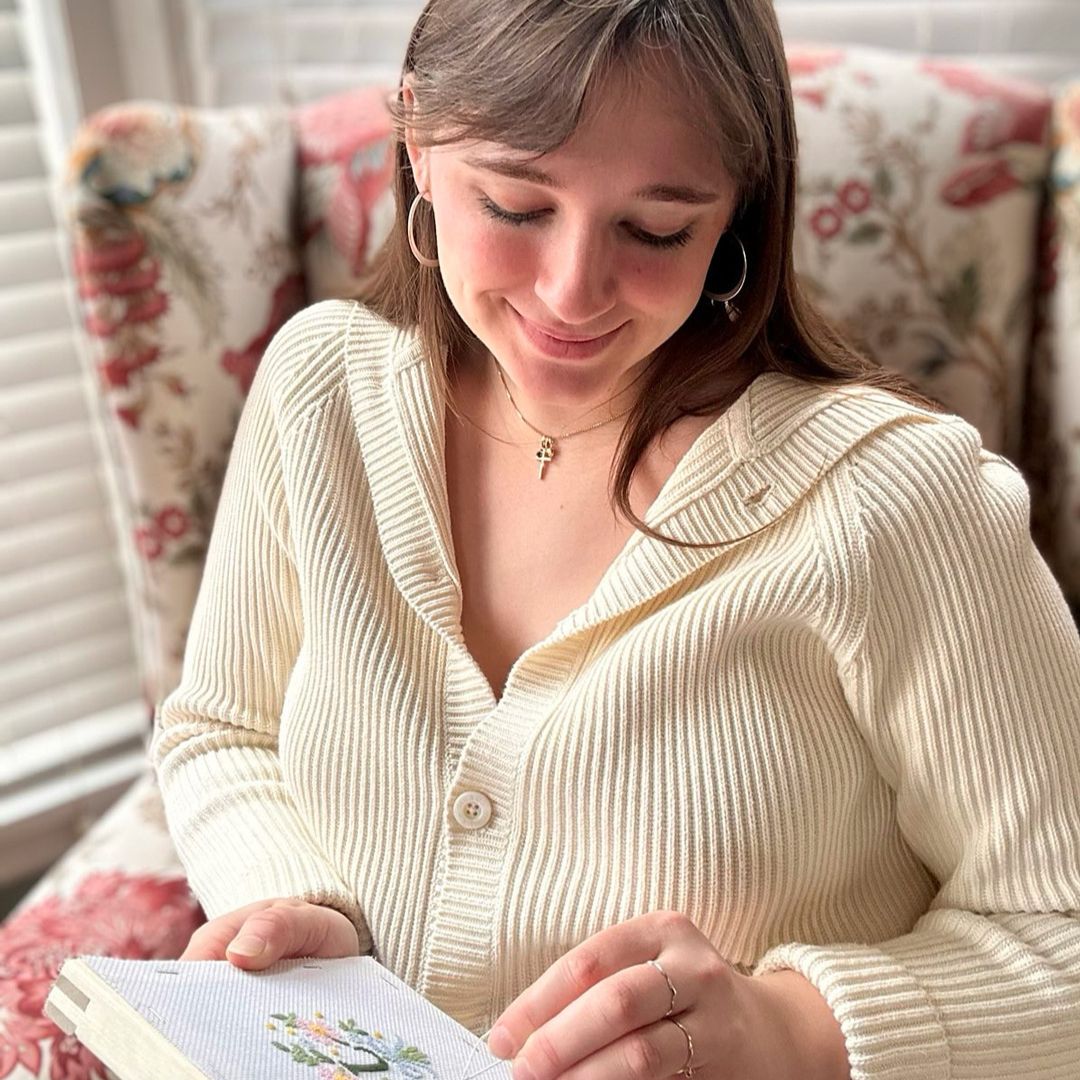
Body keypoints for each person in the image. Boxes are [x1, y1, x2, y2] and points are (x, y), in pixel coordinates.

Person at [152, 1, 1080, 1077]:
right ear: (414, 139)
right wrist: (296, 909)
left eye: (656, 228)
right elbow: (222, 728)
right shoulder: (321, 390)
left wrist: (797, 1030)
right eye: (514, 204)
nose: (569, 294)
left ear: (740, 211)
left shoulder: (900, 505)